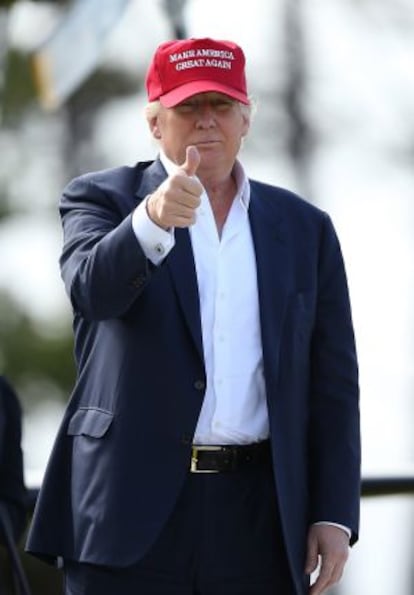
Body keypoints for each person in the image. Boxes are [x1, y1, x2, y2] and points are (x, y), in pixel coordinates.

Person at [26, 37, 360, 595]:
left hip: (260, 518)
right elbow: (93, 293)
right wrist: (151, 222)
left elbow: (332, 383)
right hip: (128, 512)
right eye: (187, 107)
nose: (207, 121)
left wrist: (333, 512)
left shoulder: (305, 227)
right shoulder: (100, 200)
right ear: (155, 123)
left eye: (221, 105)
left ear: (246, 118)